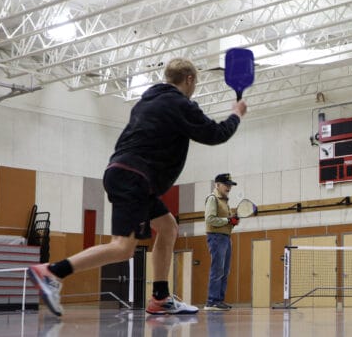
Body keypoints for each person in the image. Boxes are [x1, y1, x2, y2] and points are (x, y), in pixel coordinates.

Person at [28, 58, 247, 317]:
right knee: (122, 247)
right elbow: (216, 134)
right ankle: (52, 272)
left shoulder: (147, 101)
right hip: (134, 179)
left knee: (168, 227)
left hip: (128, 175)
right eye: (195, 82)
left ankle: (160, 298)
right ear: (189, 79)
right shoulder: (179, 104)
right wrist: (236, 114)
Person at [203, 173, 239, 311]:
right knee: (217, 269)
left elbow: (226, 221)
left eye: (230, 185)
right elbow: (210, 219)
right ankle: (212, 301)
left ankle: (219, 300)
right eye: (226, 184)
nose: (229, 187)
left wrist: (232, 221)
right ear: (217, 185)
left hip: (226, 237)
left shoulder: (225, 201)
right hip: (216, 237)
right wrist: (228, 220)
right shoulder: (213, 198)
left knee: (224, 270)